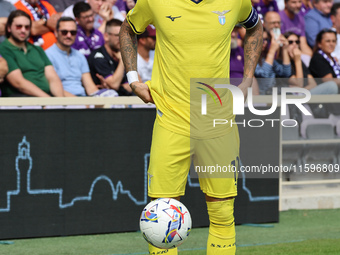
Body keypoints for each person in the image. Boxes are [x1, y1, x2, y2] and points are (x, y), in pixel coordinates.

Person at [119, 0, 263, 254]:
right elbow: (128, 29)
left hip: (218, 119)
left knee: (222, 213)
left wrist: (248, 78)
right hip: (172, 118)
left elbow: (255, 27)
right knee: (161, 214)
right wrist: (133, 80)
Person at [45, 16, 117, 97]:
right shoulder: (47, 55)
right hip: (62, 100)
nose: (69, 35)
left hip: (83, 99)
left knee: (112, 95)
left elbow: (90, 87)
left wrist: (102, 93)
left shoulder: (79, 55)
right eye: (64, 32)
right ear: (56, 33)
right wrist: (82, 103)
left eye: (73, 32)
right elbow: (54, 89)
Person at [0, 10, 66, 97]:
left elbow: (52, 77)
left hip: (48, 98)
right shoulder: (4, 49)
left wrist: (59, 102)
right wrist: (48, 101)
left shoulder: (38, 49)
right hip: (22, 100)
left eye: (27, 27)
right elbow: (18, 83)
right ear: (9, 28)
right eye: (19, 27)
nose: (23, 30)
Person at [88, 18, 131, 96]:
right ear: (106, 36)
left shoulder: (123, 53)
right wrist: (122, 60)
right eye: (118, 35)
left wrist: (119, 88)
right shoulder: (98, 56)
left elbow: (137, 84)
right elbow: (114, 85)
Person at [255, 30, 291, 94]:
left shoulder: (265, 58)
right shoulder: (249, 58)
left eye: (266, 39)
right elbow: (264, 75)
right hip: (261, 98)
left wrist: (285, 49)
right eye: (262, 39)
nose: (265, 42)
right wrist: (272, 50)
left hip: (273, 94)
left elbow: (286, 73)